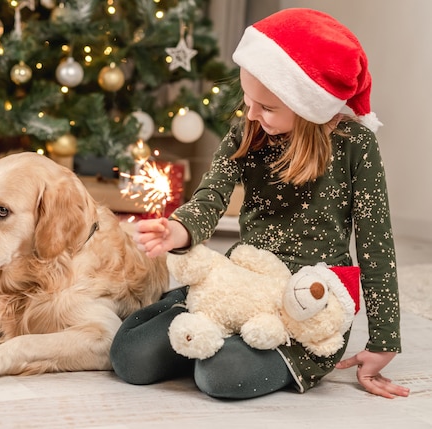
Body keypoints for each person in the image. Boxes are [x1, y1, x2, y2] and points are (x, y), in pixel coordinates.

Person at [109, 8, 410, 400]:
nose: (251, 113)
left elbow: (376, 246)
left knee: (219, 376)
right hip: (242, 279)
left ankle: (221, 343)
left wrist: (384, 341)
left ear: (309, 108)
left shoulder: (356, 147)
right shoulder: (247, 131)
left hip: (304, 301)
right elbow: (210, 197)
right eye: (248, 99)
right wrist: (178, 229)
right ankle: (207, 320)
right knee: (130, 358)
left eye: (267, 107)